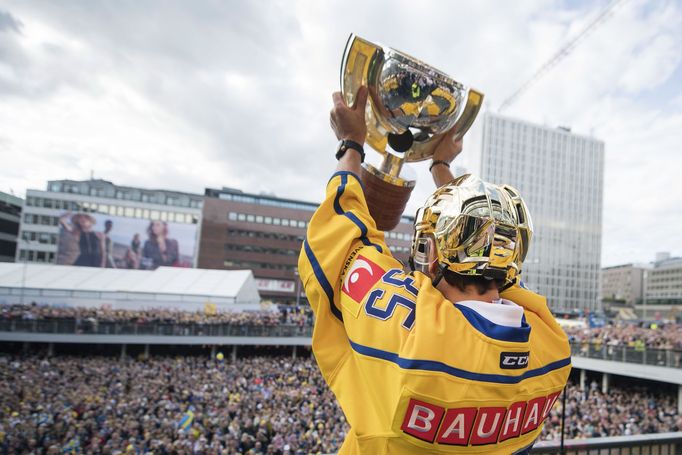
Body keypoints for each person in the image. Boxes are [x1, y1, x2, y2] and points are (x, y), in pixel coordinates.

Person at [297, 86, 572, 454]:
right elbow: (491, 259)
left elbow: (337, 239)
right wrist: (441, 167)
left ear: (432, 254)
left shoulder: (415, 338)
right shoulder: (551, 346)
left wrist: (351, 142)